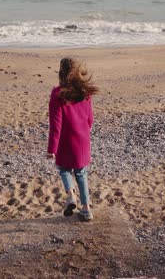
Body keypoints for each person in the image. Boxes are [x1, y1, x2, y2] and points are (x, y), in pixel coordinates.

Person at [47, 58, 98, 221]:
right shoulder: (85, 92)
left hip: (65, 140)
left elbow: (56, 125)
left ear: (61, 73)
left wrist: (52, 149)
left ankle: (70, 195)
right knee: (81, 174)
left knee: (63, 169)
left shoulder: (57, 93)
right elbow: (90, 119)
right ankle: (86, 209)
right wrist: (84, 132)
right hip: (82, 139)